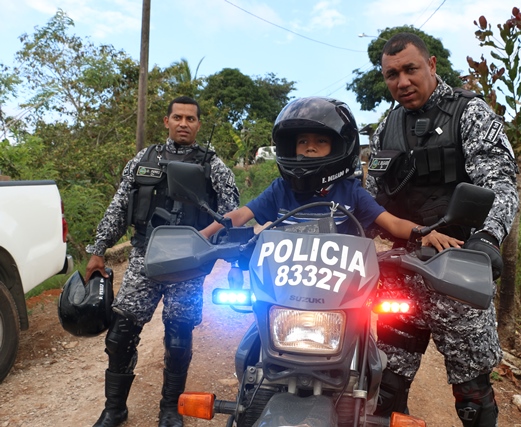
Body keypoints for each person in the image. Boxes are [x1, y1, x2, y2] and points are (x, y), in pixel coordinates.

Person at [366, 33, 519, 427]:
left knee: (472, 395)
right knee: (385, 386)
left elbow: (500, 183)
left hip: (458, 273)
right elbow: (370, 197)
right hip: (401, 273)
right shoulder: (387, 127)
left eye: (410, 69)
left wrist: (487, 238)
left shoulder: (470, 113)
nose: (402, 82)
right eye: (392, 75)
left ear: (431, 64)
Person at [84, 96, 240, 427]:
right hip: (145, 255)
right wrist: (98, 249)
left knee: (179, 335)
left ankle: (171, 409)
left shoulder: (214, 166)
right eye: (178, 117)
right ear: (167, 121)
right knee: (120, 334)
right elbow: (119, 207)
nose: (184, 123)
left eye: (190, 119)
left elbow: (232, 212)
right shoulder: (144, 160)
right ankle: (114, 409)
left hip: (189, 260)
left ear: (198, 124)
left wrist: (212, 244)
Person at [200, 96, 442, 249]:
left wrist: (425, 234)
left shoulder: (351, 192)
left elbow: (392, 222)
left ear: (337, 147)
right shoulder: (281, 189)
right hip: (285, 285)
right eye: (302, 141)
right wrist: (203, 236)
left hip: (339, 289)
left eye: (321, 141)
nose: (310, 147)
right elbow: (241, 215)